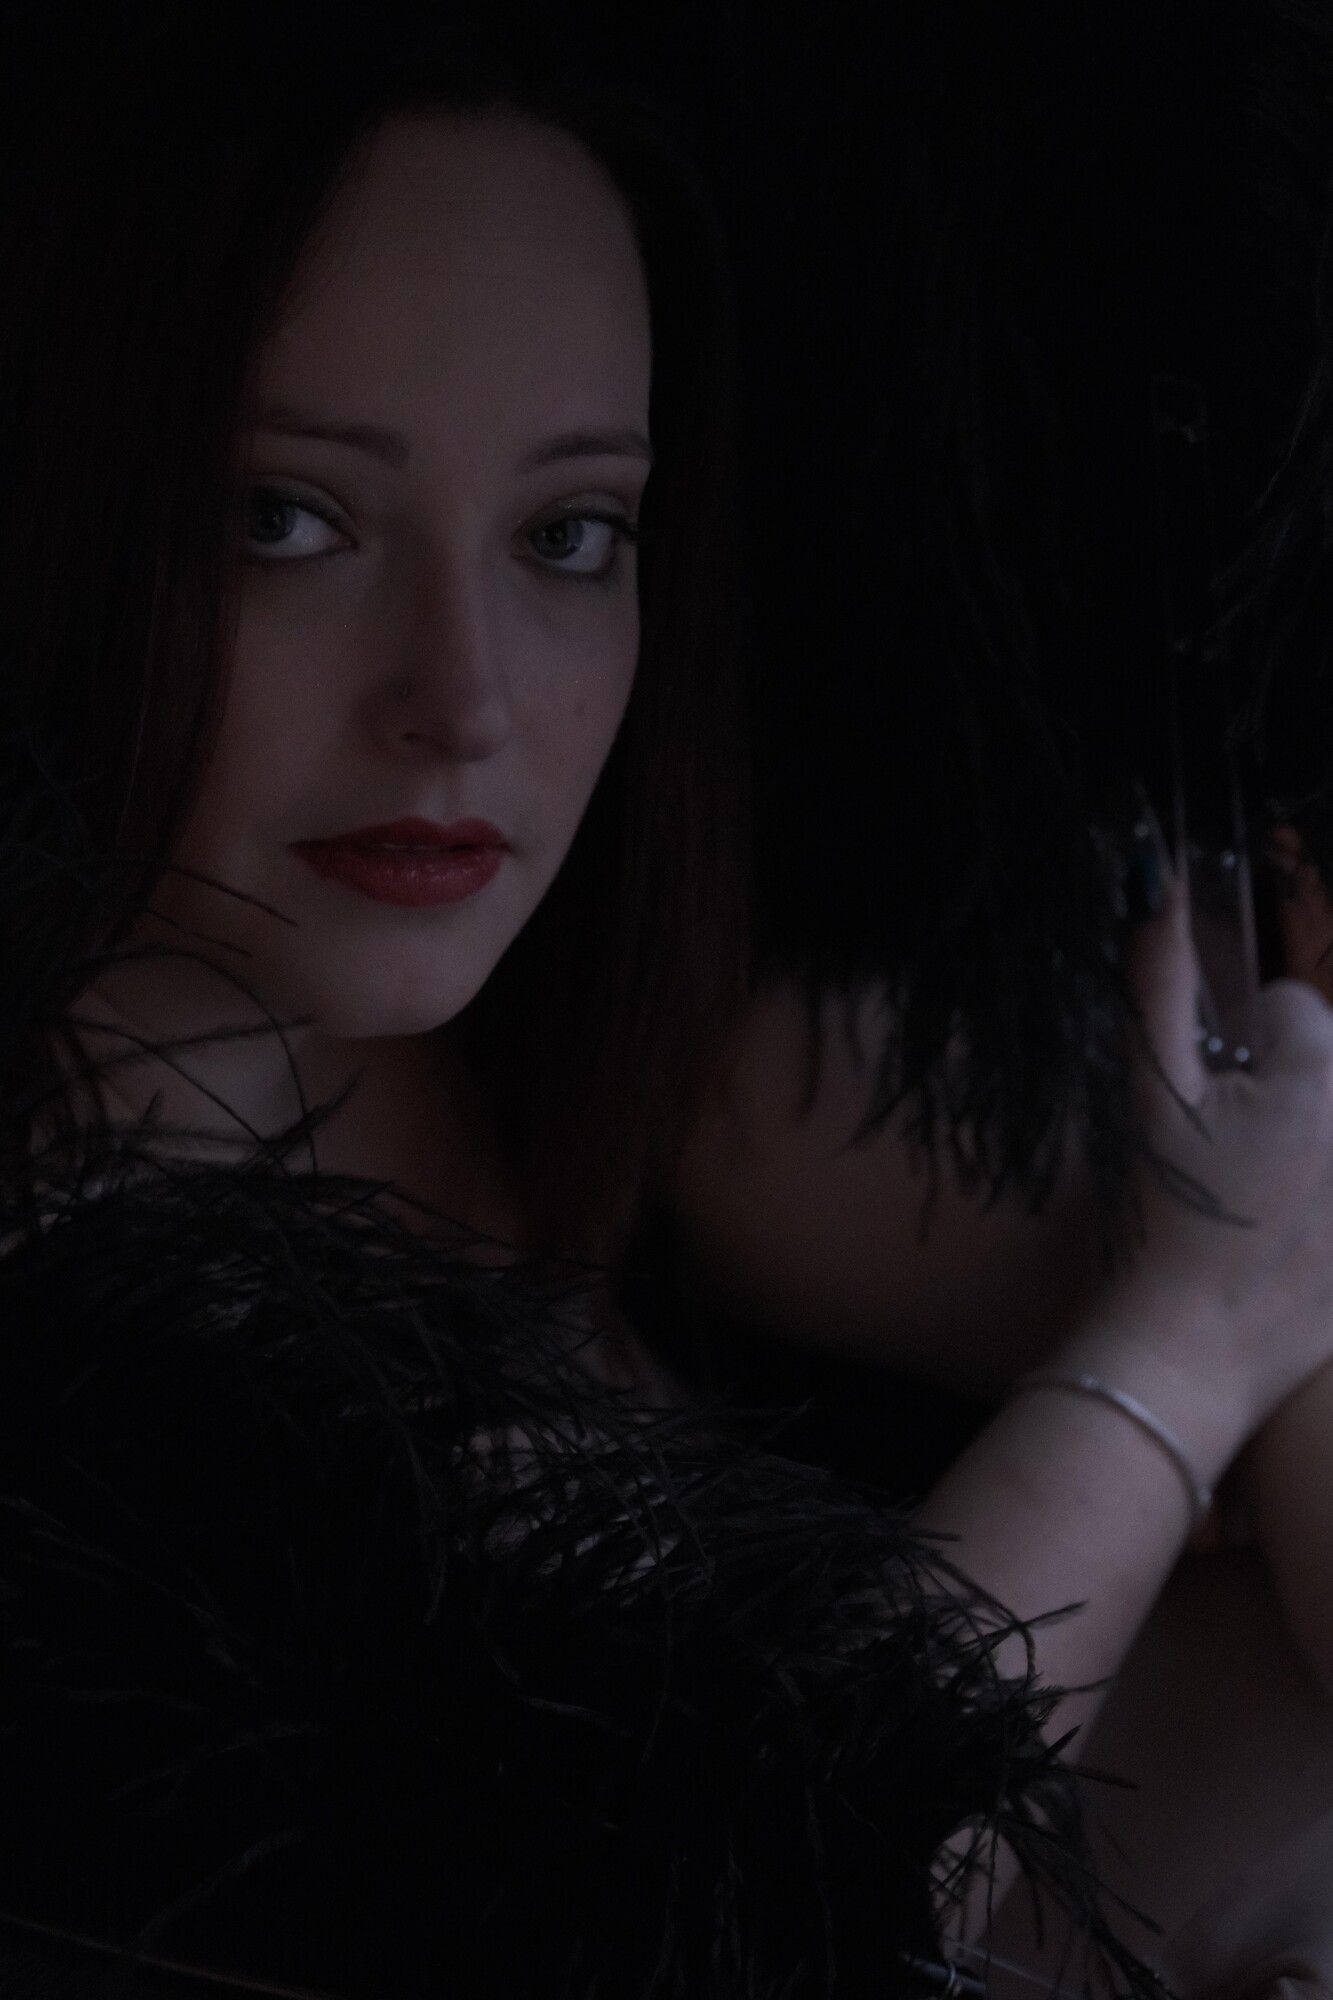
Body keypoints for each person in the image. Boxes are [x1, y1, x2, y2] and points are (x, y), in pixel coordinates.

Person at [3, 3, 1332, 1995]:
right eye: (287, 517)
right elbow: (748, 1919)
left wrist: (1244, 1288)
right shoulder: (86, 1305)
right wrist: (1175, 1354)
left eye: (569, 534)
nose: (461, 700)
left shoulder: (621, 1068)